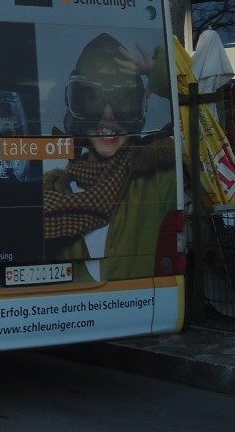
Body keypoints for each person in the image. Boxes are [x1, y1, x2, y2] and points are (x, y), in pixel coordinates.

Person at [43, 32, 177, 281]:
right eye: (93, 98)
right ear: (75, 106)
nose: (108, 114)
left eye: (123, 100)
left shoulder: (160, 180)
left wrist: (160, 77)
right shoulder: (52, 193)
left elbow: (203, 140)